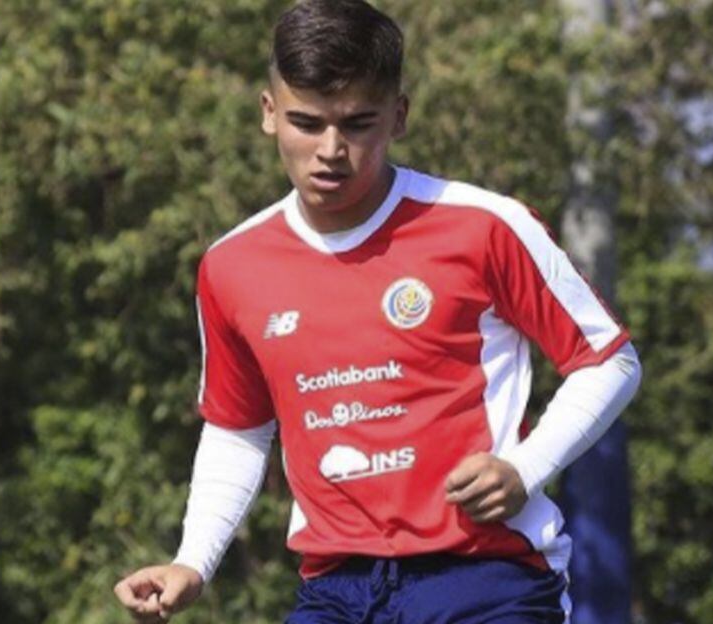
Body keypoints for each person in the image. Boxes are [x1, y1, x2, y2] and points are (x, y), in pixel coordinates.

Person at [114, 1, 641, 621]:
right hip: (336, 587)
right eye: (306, 123)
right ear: (268, 114)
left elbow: (611, 361)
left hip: (488, 576)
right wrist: (192, 562)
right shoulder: (232, 264)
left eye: (358, 123)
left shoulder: (483, 226)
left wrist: (525, 468)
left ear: (399, 115)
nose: (331, 150)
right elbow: (239, 426)